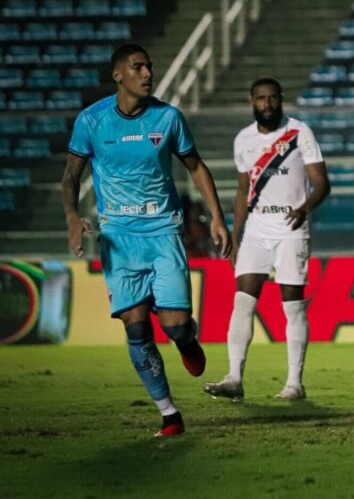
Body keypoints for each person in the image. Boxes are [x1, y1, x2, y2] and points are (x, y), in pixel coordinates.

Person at [62, 43, 230, 437]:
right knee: (136, 328)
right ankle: (169, 414)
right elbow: (70, 176)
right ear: (118, 75)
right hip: (119, 238)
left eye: (149, 67)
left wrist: (217, 217)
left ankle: (187, 341)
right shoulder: (92, 121)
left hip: (163, 234)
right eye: (138, 68)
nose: (147, 74)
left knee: (175, 327)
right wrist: (71, 216)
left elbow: (196, 166)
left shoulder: (167, 117)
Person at [204, 77, 330, 402]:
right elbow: (242, 190)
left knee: (293, 306)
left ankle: (294, 384)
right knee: (242, 301)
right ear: (252, 101)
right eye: (261, 98)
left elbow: (322, 184)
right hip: (256, 231)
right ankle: (234, 378)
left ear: (281, 99)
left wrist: (305, 208)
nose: (268, 104)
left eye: (273, 98)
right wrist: (235, 236)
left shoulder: (299, 132)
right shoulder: (243, 140)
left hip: (291, 227)